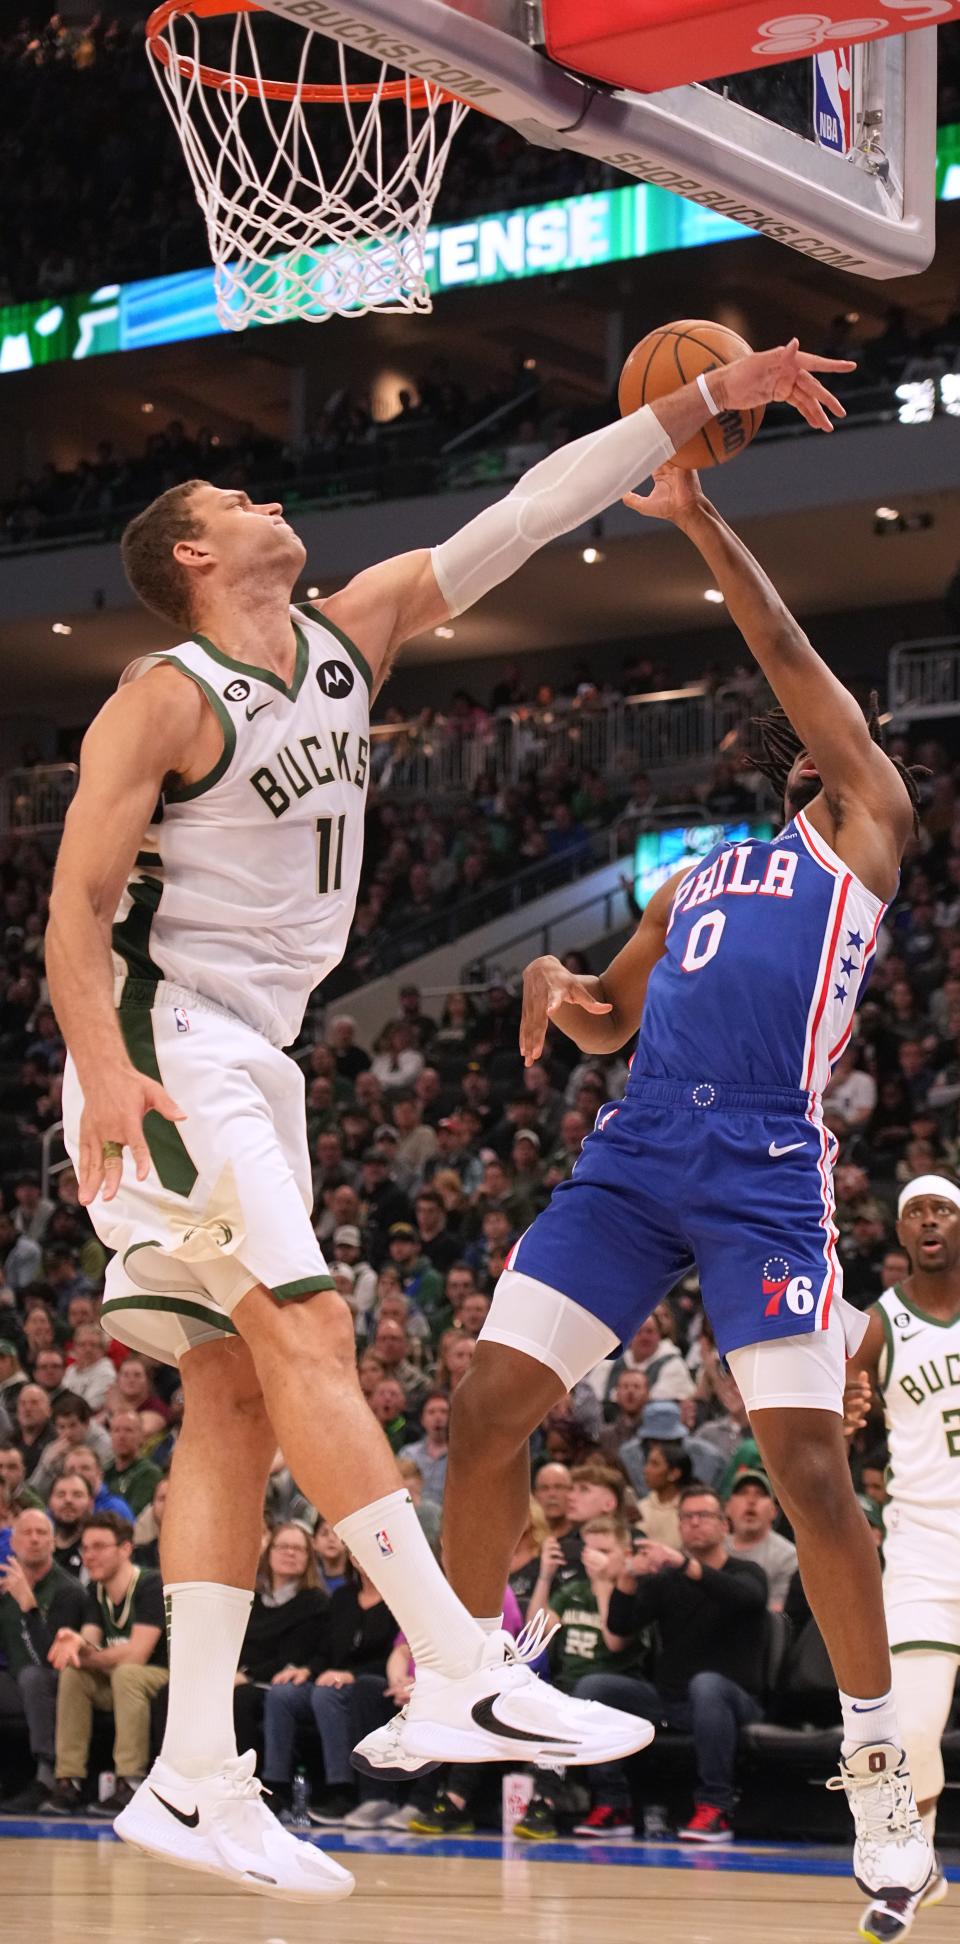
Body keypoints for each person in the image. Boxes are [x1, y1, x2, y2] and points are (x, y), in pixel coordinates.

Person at [45, 335, 846, 1902]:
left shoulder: (350, 639)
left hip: (256, 1054)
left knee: (232, 1393)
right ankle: (456, 1660)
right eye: (236, 487)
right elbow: (72, 908)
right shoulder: (160, 694)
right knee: (308, 1337)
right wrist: (106, 1060)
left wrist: (701, 402)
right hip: (165, 1043)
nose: (274, 493)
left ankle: (192, 1775)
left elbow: (536, 509)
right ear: (197, 555)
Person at [371, 459, 938, 1923]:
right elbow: (610, 1021)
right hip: (630, 1158)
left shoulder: (865, 831)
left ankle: (886, 1783)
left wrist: (697, 518)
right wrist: (559, 984)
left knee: (809, 1471)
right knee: (491, 1402)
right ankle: (468, 1679)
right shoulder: (699, 879)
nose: (832, 734)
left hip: (760, 1170)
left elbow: (791, 655)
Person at [844, 1174, 960, 1937]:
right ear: (899, 1232)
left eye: (943, 1209)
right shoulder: (881, 1323)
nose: (929, 1221)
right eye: (915, 1211)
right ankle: (909, 1869)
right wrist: (846, 1407)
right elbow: (840, 1394)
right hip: (924, 1545)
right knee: (914, 1727)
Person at [43, 1511, 169, 1818]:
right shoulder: (95, 1591)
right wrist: (74, 1643)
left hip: (166, 1678)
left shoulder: (151, 1584)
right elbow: (90, 1642)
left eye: (99, 1546)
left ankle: (131, 1781)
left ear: (125, 1548)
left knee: (128, 1672)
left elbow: (138, 1653)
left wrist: (90, 1653)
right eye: (85, 1548)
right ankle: (68, 1780)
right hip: (122, 1680)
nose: (89, 1555)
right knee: (74, 1673)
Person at [0, 1507, 87, 1813]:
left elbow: (52, 1660)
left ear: (53, 1543)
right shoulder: (5, 1588)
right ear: (12, 1542)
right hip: (18, 1684)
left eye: (42, 1533)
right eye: (27, 1532)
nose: (34, 1539)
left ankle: (46, 1778)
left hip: (59, 1683)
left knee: (33, 1677)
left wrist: (29, 1607)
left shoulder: (69, 1591)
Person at [724, 1472, 798, 1611]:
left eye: (760, 1494)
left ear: (774, 1511)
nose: (751, 1500)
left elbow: (777, 1616)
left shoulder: (788, 1557)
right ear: (727, 1507)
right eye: (742, 1493)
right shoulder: (713, 1546)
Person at [47, 1472, 93, 1577]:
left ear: (91, 1503)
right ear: (50, 1503)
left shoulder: (96, 1550)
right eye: (60, 1495)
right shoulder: (39, 1546)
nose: (68, 1500)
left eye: (77, 1495)